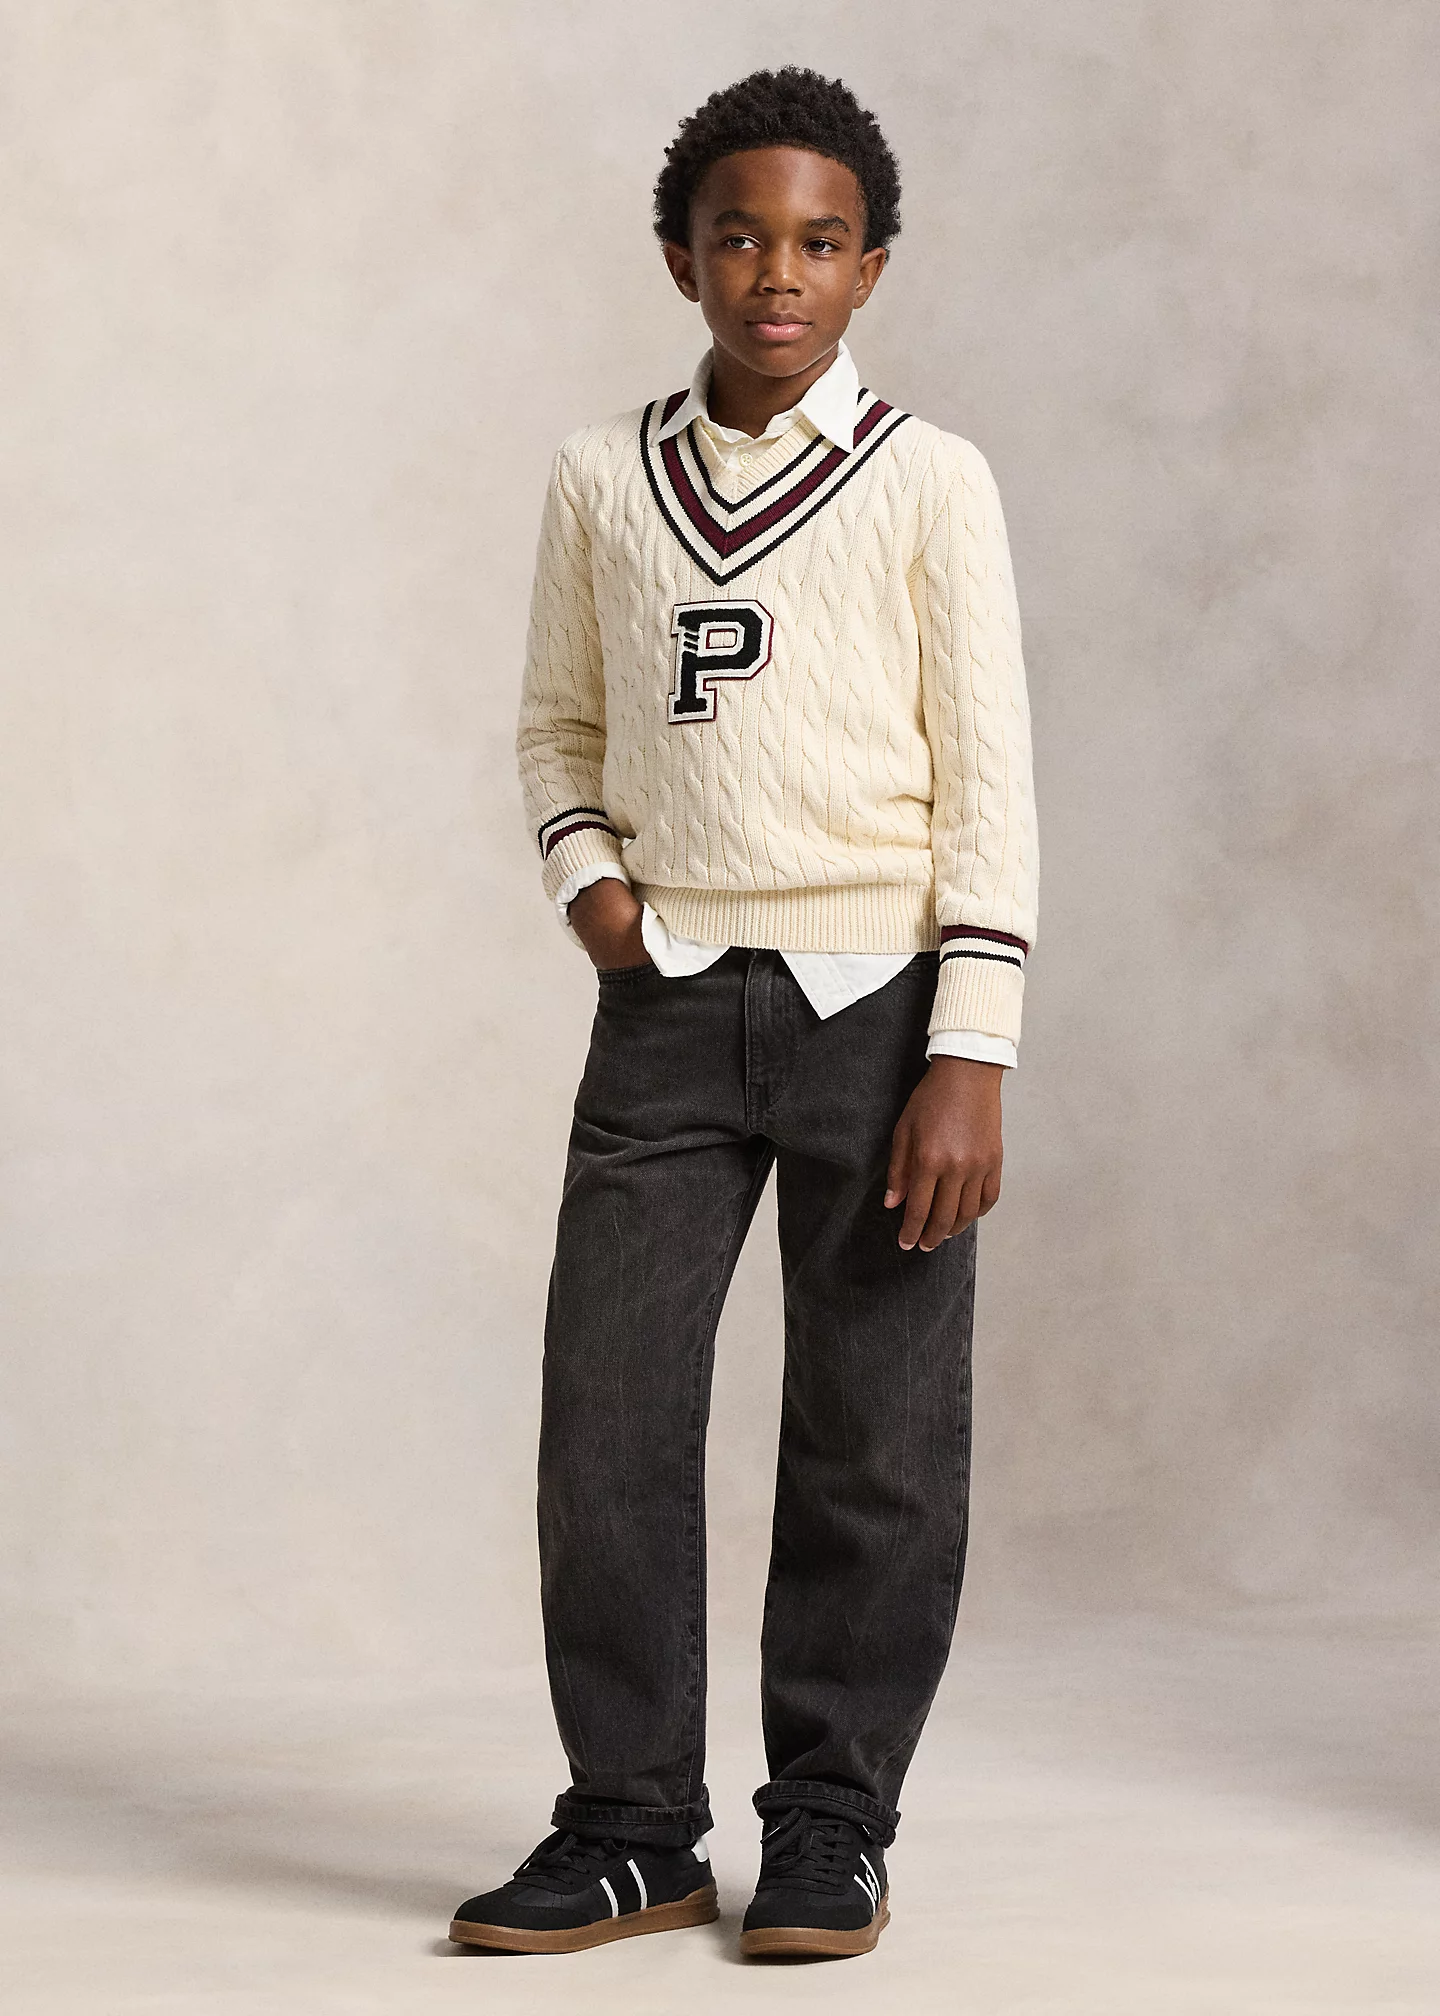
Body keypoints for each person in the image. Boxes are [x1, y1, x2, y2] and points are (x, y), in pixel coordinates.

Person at [449, 63, 1038, 1961]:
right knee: (607, 1419)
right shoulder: (601, 476)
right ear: (680, 257)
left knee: (875, 1436)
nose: (777, 273)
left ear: (871, 268)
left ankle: (832, 1823)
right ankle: (632, 1826)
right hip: (672, 1009)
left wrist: (971, 1049)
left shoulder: (931, 481)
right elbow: (557, 725)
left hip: (885, 1011)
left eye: (819, 241)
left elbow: (991, 784)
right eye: (739, 238)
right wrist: (592, 889)